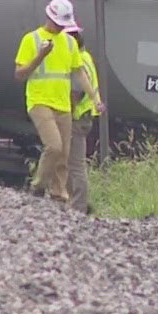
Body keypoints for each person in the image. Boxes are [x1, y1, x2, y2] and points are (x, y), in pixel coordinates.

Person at [13, 0, 103, 203]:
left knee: (64, 155)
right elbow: (19, 74)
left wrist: (95, 98)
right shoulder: (32, 40)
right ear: (50, 18)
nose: (61, 27)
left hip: (62, 104)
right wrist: (40, 56)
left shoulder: (69, 43)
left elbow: (79, 73)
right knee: (54, 146)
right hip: (39, 101)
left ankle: (58, 193)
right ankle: (38, 186)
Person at [65, 29, 103, 215]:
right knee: (73, 163)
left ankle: (78, 207)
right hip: (86, 115)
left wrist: (67, 113)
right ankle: (76, 203)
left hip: (78, 117)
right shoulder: (86, 56)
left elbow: (76, 93)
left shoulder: (78, 61)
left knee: (76, 165)